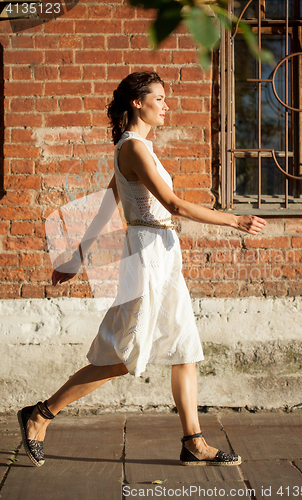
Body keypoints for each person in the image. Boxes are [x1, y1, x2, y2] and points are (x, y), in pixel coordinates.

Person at [17, 71, 266, 468]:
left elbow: (106, 208)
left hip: (164, 254)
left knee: (185, 348)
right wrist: (235, 221)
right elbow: (175, 205)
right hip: (147, 258)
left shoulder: (137, 148)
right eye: (160, 98)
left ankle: (194, 442)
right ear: (137, 102)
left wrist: (78, 256)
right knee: (125, 355)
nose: (167, 106)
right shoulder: (132, 149)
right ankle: (41, 415)